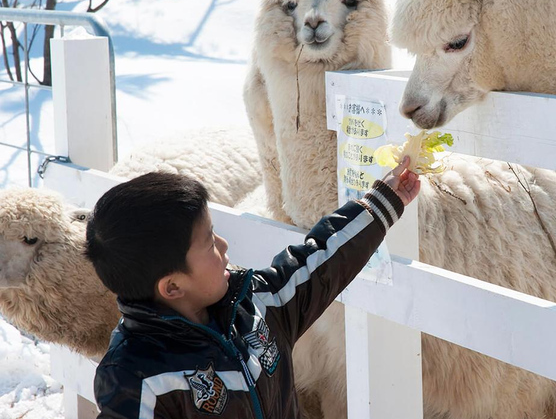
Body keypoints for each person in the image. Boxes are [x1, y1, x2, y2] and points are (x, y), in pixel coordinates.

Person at [85, 157, 420, 419]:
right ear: (172, 287)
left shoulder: (257, 304)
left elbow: (320, 260)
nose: (224, 245)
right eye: (209, 244)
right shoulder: (136, 378)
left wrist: (379, 204)